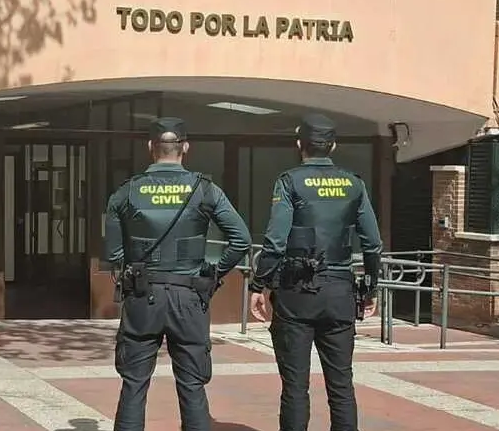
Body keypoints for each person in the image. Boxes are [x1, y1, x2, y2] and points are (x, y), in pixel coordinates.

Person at [104, 117, 252, 431]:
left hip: (143, 297)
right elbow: (241, 239)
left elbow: (114, 255)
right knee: (192, 385)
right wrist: (213, 274)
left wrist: (131, 272)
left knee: (133, 385)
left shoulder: (126, 192)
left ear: (150, 148)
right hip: (189, 296)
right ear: (185, 147)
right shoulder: (205, 190)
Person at [248, 113, 384, 431]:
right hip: (340, 292)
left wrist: (259, 284)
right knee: (341, 385)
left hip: (296, 294)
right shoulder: (354, 183)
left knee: (295, 387)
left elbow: (275, 241)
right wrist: (371, 288)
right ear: (332, 145)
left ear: (300, 145)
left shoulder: (289, 181)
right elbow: (373, 243)